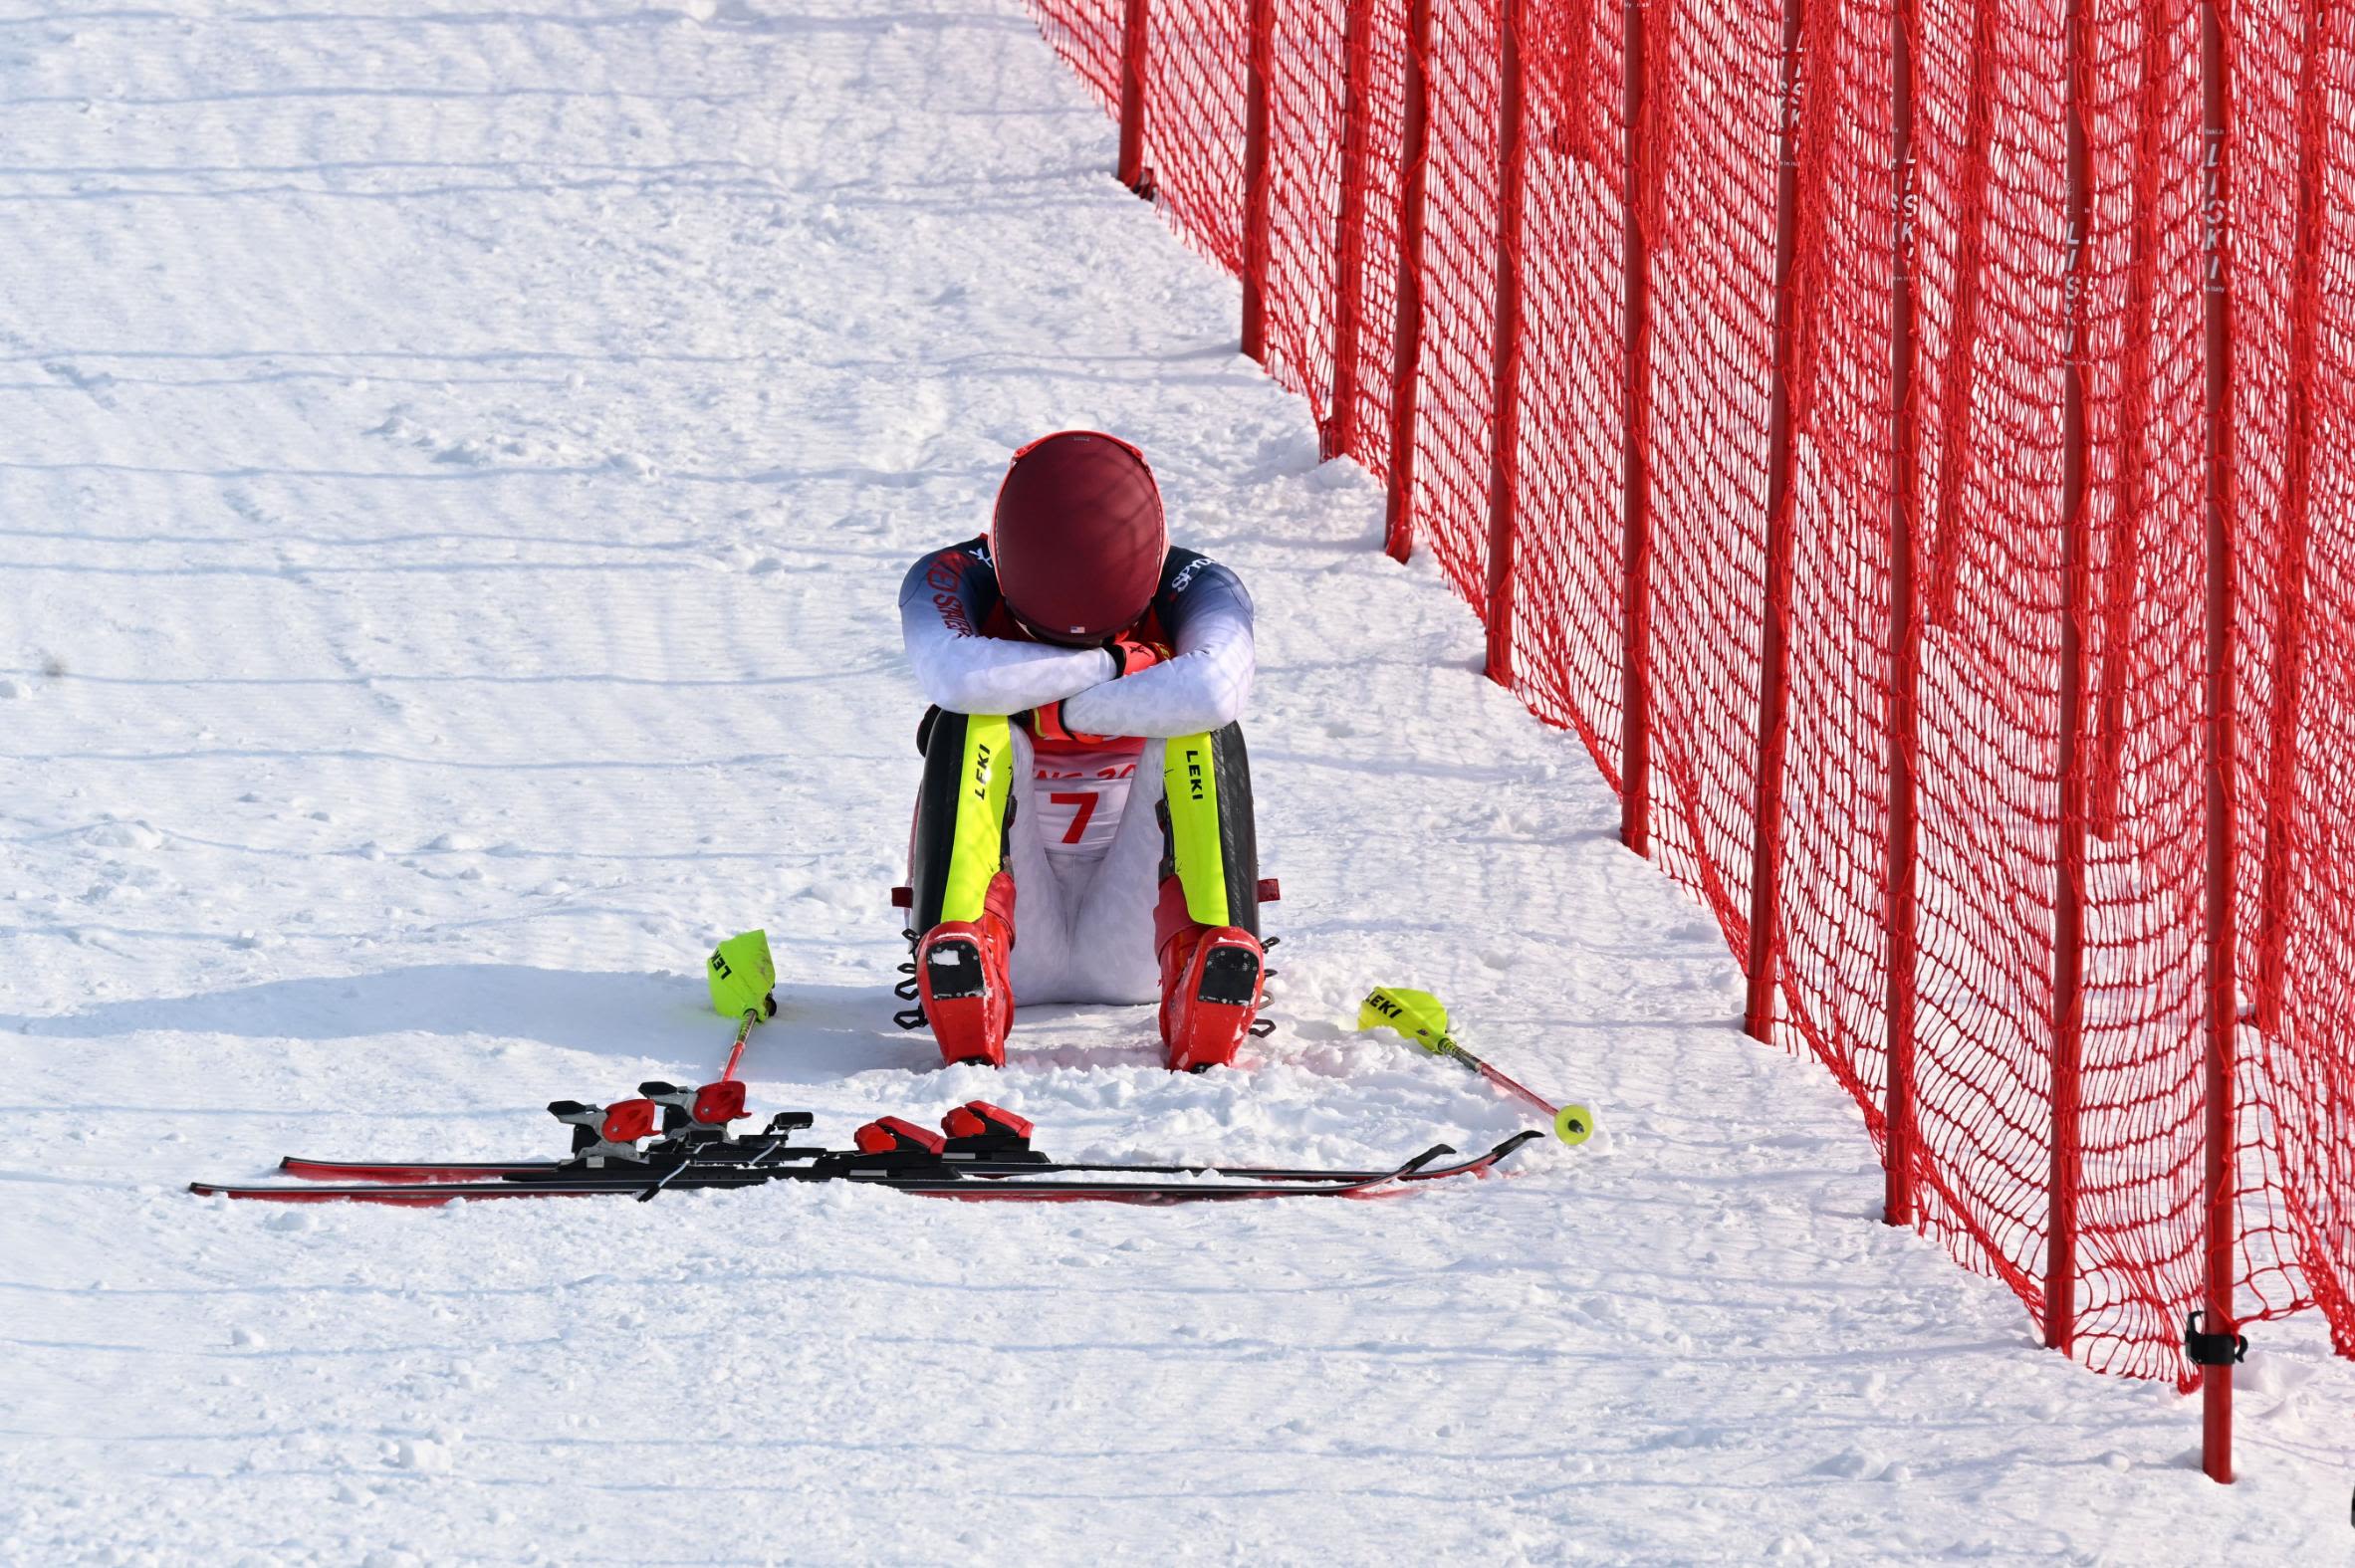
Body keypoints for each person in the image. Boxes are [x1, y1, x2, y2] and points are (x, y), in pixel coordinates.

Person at [895, 430, 1266, 1071]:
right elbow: (960, 677)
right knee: (973, 721)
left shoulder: (1201, 584)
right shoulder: (950, 574)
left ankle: (1206, 963)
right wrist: (1123, 663)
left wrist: (1046, 700)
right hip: (1011, 927)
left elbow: (1213, 689)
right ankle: (964, 962)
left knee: (1202, 730)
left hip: (1137, 927)